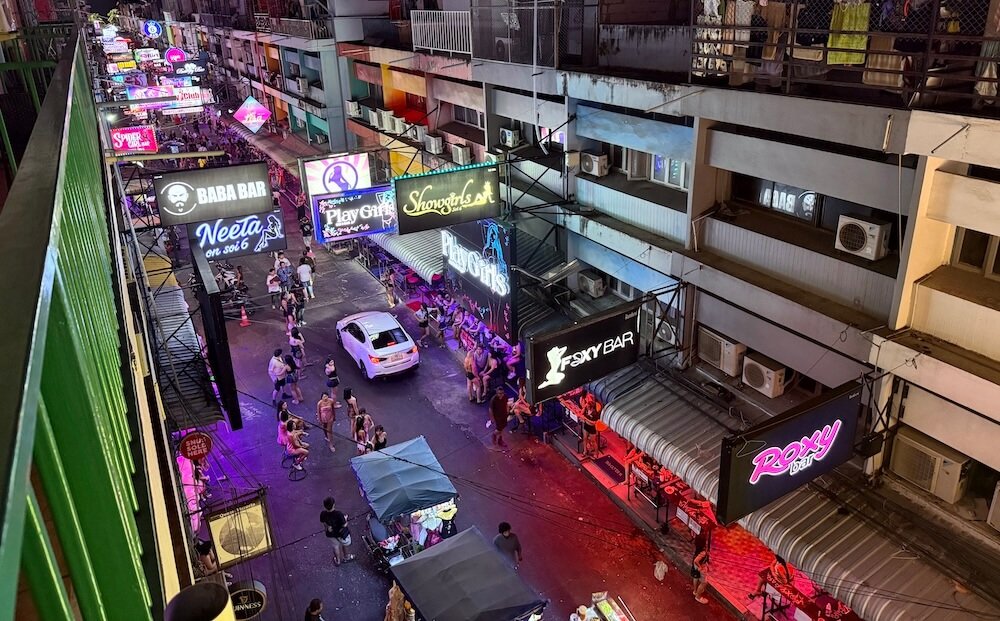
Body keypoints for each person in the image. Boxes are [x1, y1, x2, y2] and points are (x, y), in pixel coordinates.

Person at [319, 497, 354, 566]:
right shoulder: (338, 514)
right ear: (333, 505)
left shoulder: (323, 514)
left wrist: (327, 527)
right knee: (344, 544)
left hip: (330, 534)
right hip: (340, 533)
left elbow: (323, 522)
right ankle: (346, 557)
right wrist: (346, 519)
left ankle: (338, 561)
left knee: (335, 546)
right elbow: (344, 525)